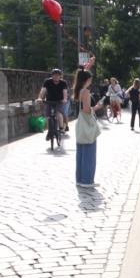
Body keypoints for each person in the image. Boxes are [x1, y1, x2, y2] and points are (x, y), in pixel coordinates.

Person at [74, 59, 104, 188]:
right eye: (90, 79)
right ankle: (87, 180)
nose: (91, 81)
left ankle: (80, 179)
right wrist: (97, 106)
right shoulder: (85, 91)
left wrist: (88, 65)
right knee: (89, 152)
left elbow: (81, 73)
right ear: (86, 80)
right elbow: (86, 109)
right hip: (87, 123)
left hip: (80, 123)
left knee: (81, 152)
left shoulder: (78, 89)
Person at [36, 68, 69, 145]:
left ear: (60, 76)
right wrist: (40, 98)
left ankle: (61, 128)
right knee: (48, 116)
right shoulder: (47, 82)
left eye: (58, 76)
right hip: (49, 101)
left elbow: (65, 92)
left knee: (58, 113)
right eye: (54, 75)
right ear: (52, 76)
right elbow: (43, 90)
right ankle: (49, 131)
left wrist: (64, 99)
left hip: (59, 101)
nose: (56, 77)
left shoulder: (63, 83)